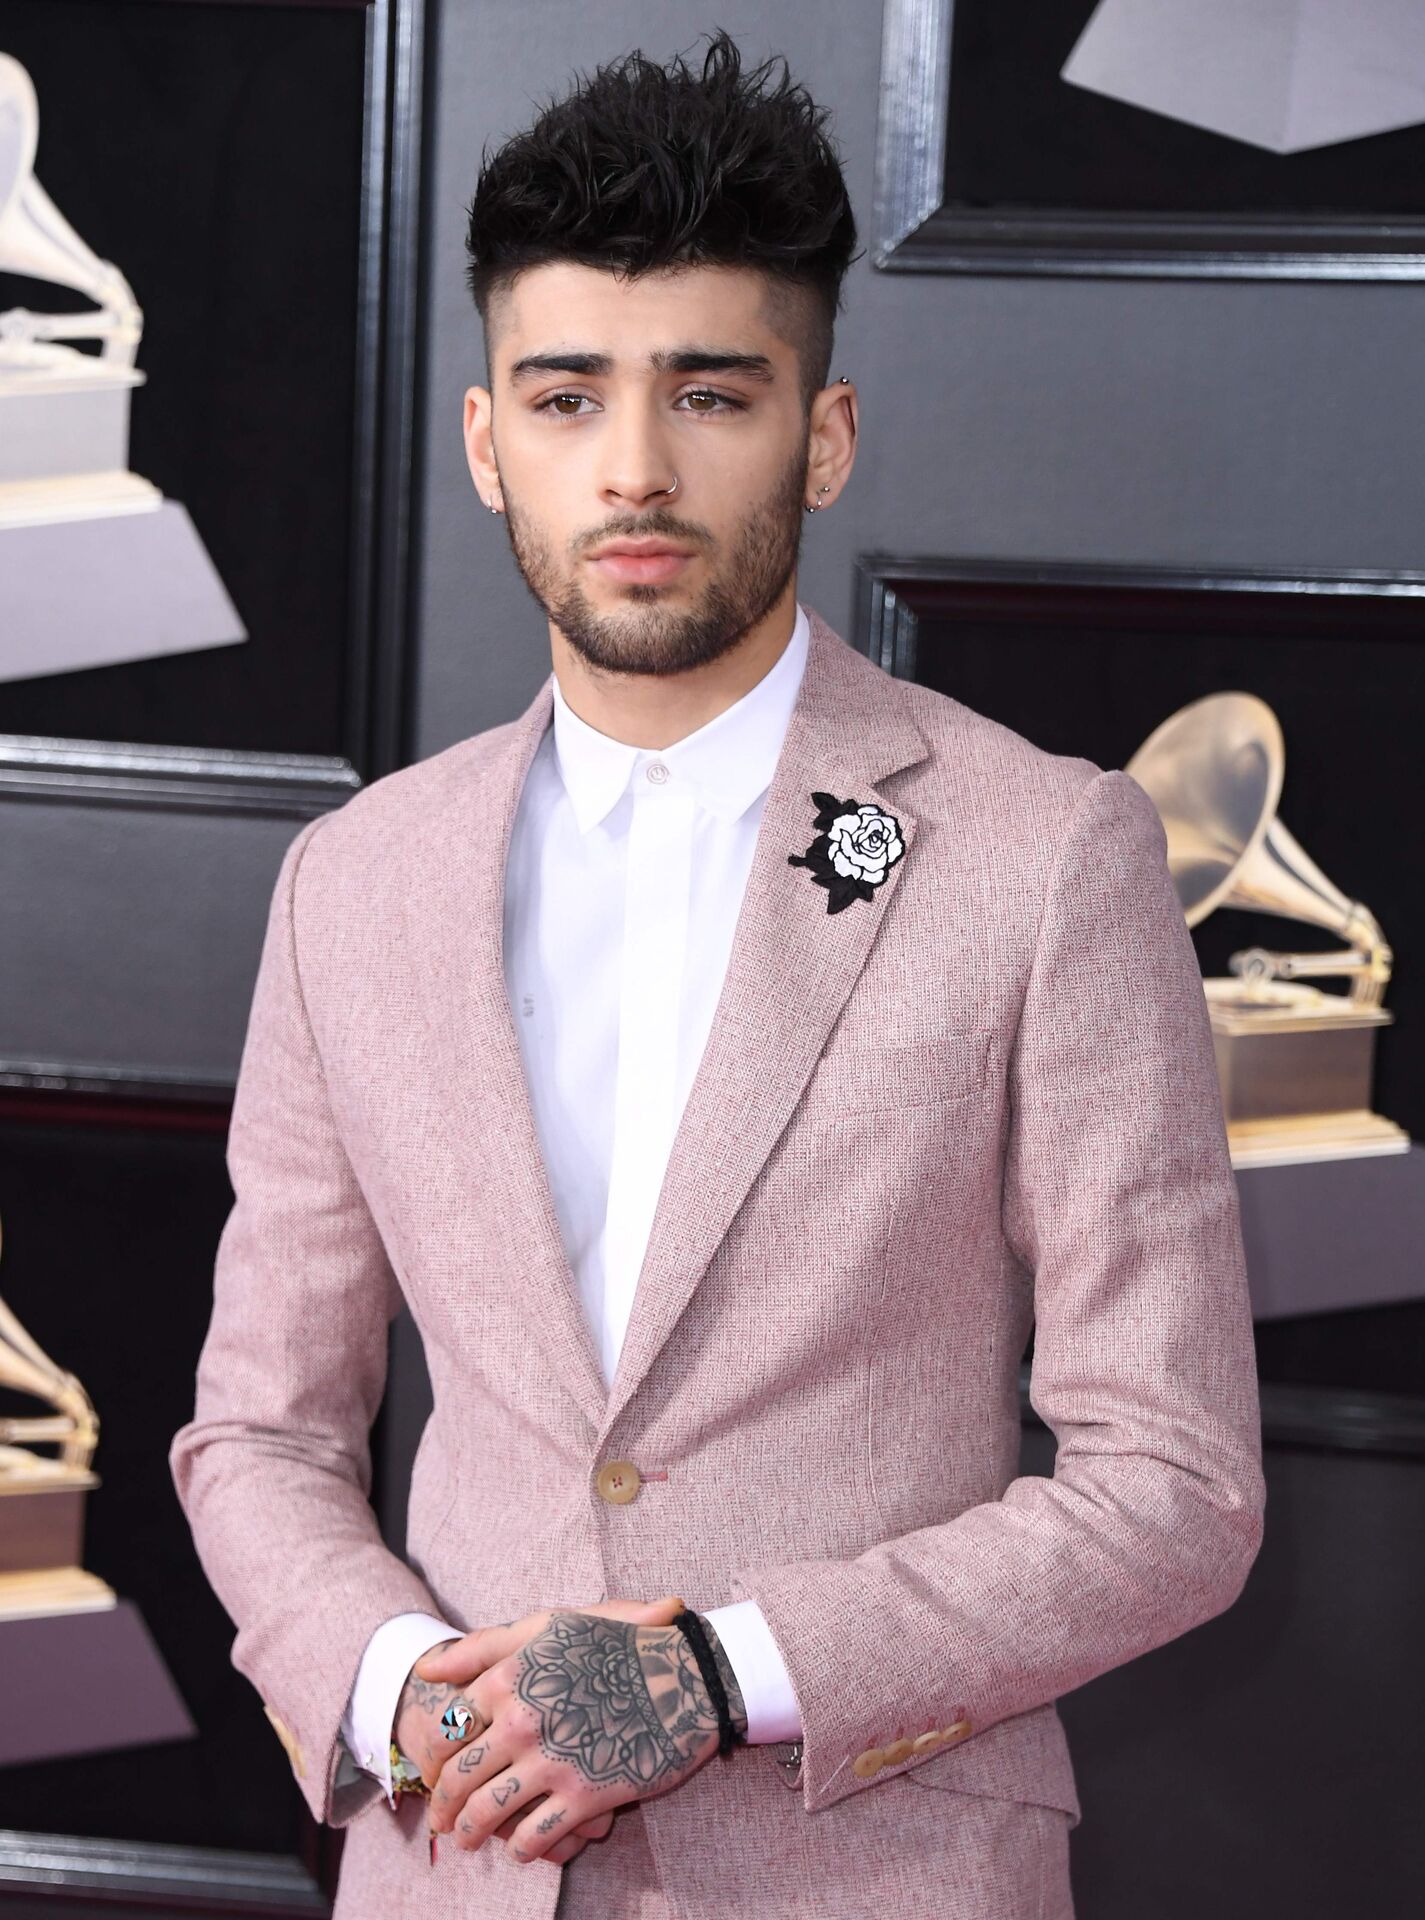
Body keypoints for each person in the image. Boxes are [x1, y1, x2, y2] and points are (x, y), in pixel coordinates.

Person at [170, 30, 1265, 1919]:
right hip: (454, 1870)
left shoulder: (1043, 854)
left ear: (820, 435)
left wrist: (714, 1671)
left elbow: (1172, 1481)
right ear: (485, 440)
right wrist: (396, 1686)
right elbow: (260, 1428)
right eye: (568, 396)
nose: (635, 470)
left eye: (707, 393)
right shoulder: (356, 882)